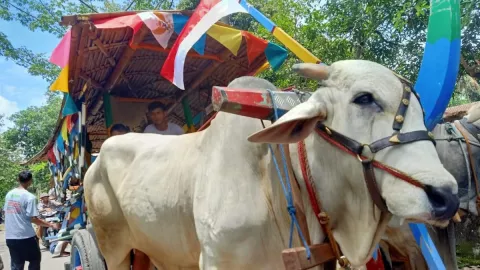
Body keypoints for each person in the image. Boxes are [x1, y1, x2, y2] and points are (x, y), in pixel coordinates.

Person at [3, 170, 60, 270]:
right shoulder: (30, 197)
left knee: (17, 265)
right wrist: (51, 225)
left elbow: (6, 212)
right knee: (34, 260)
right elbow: (33, 219)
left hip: (10, 237)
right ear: (30, 181)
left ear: (18, 180)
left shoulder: (9, 194)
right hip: (26, 237)